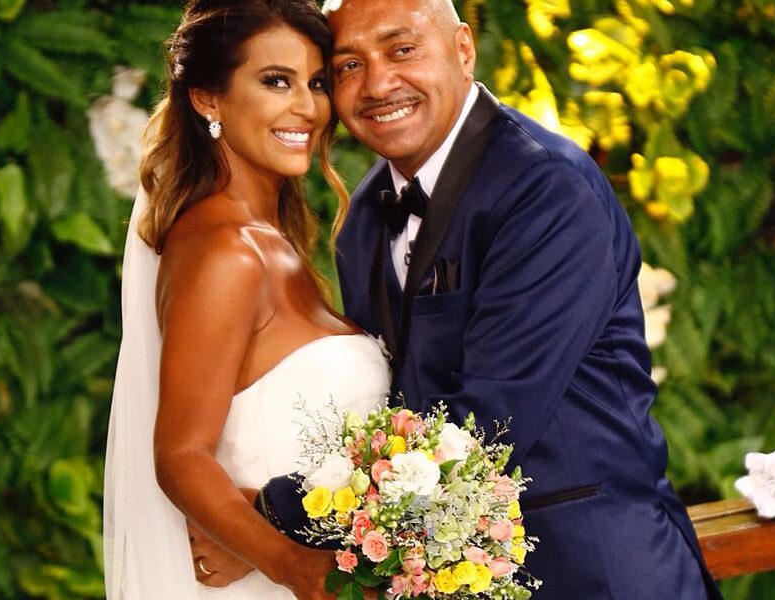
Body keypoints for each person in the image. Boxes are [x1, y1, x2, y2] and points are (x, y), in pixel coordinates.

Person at [229, 0, 723, 597]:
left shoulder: (547, 189)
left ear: (463, 49)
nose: (378, 84)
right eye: (349, 66)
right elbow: (388, 413)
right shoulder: (364, 218)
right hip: (441, 574)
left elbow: (484, 427)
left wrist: (269, 516)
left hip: (594, 569)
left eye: (402, 50)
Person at [101, 1, 389, 599]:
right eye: (276, 81)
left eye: (316, 83)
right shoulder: (225, 252)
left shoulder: (274, 244)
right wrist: (292, 565)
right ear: (208, 99)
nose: (307, 107)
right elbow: (181, 454)